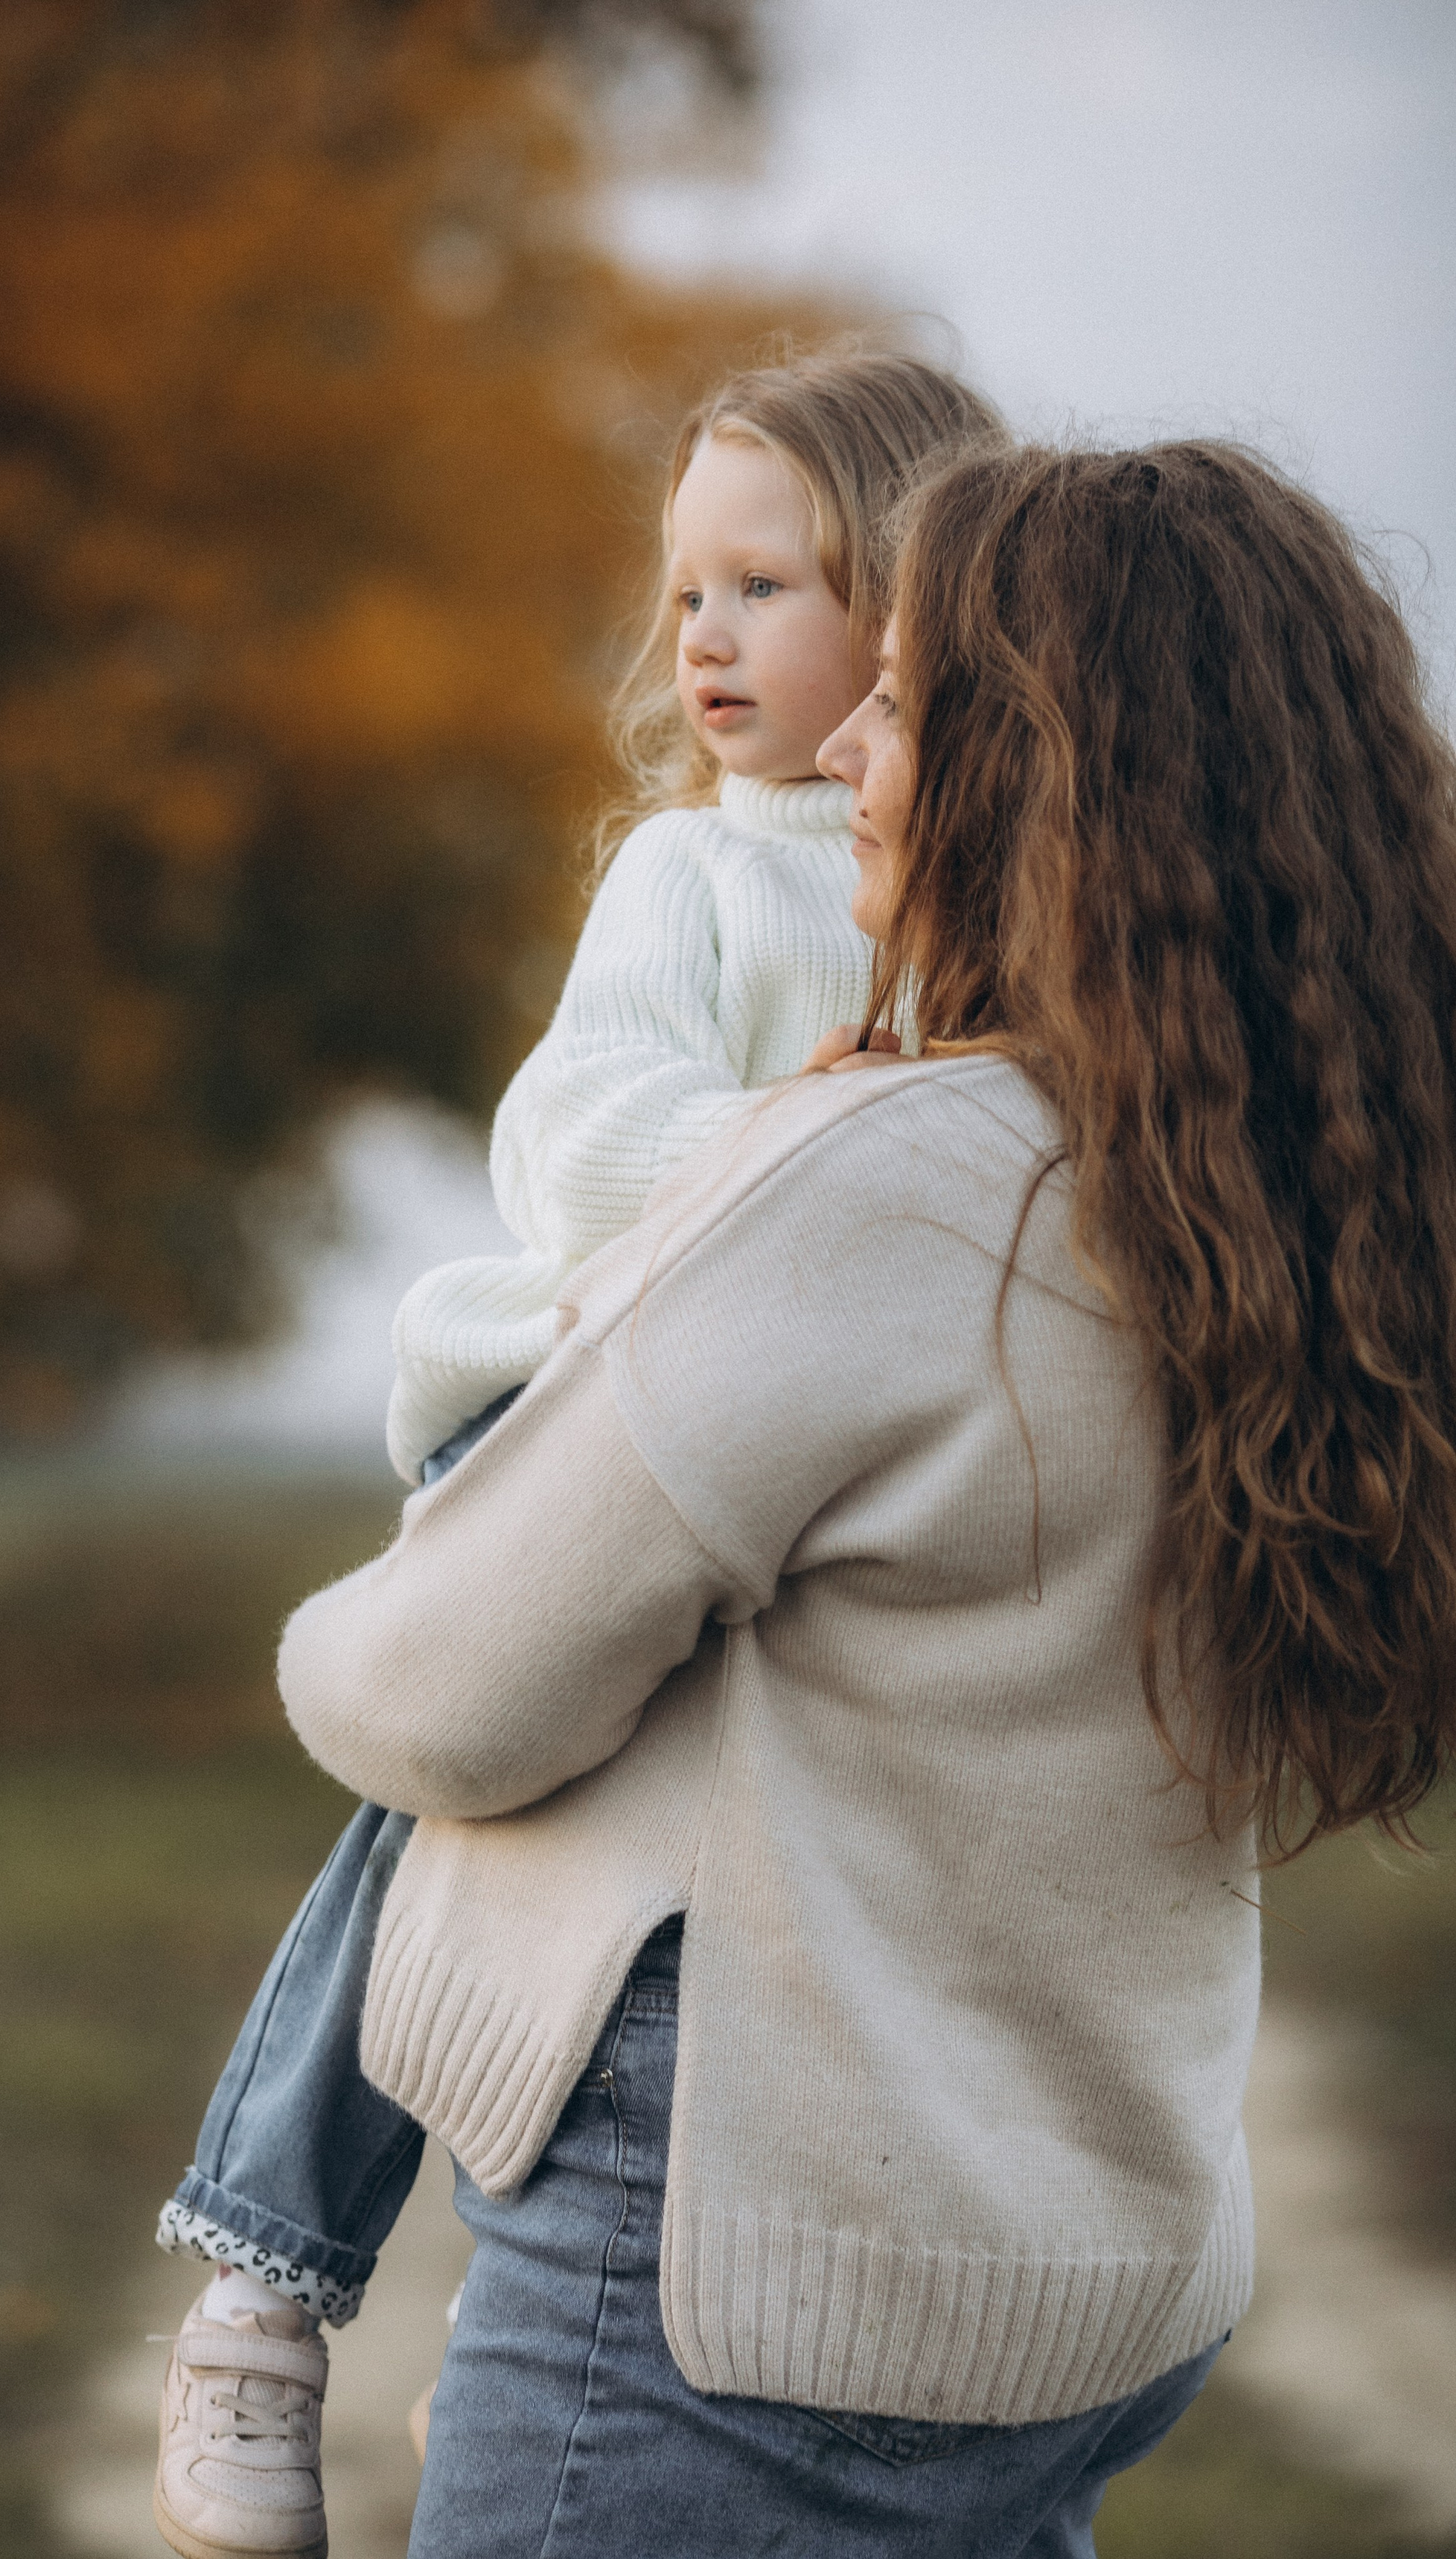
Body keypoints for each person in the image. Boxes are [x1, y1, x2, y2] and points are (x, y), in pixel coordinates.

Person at [274, 440, 1456, 2558]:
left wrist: (339, 1623)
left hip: (748, 2315)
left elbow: (433, 1697)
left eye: (903, 699)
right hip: (1082, 2299)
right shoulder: (1291, 1201)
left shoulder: (901, 1179)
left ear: (1040, 771)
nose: (852, 753)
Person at [151, 347, 1002, 2559]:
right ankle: (265, 2270)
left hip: (822, 1493)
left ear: (919, 620)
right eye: (684, 589)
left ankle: (575, 2364)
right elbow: (590, 1138)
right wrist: (819, 1152)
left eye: (768, 586)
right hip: (574, 1410)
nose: (701, 640)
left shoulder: (1003, 890)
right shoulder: (689, 889)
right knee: (435, 1818)